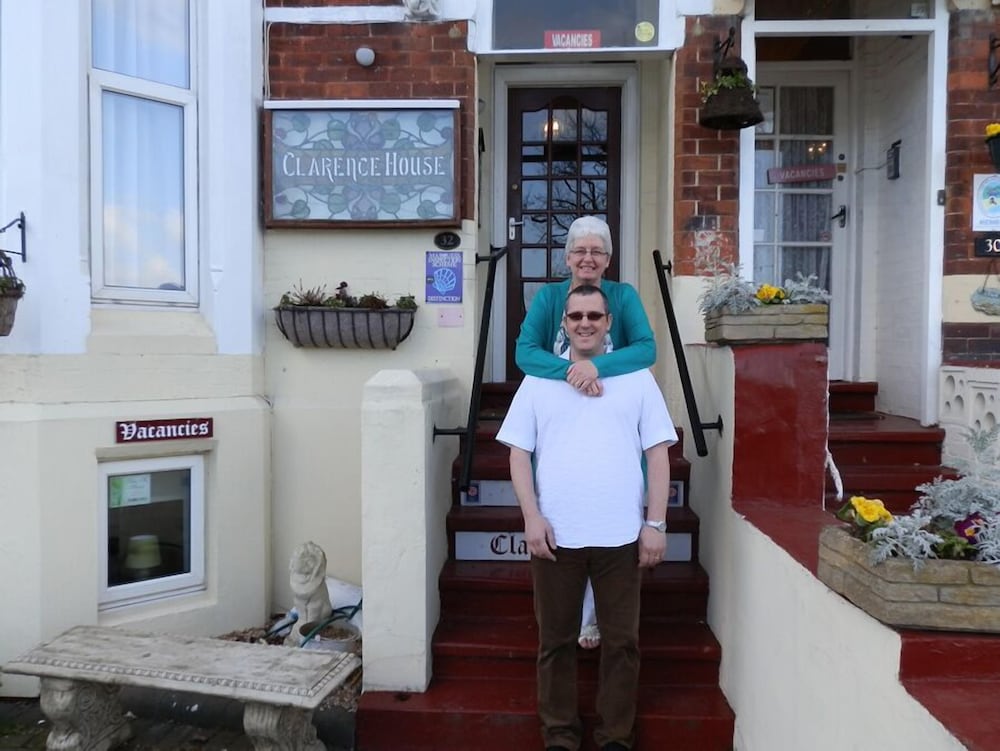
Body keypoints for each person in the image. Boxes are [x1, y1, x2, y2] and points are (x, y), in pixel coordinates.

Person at [498, 285, 677, 751]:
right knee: (555, 643)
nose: (584, 323)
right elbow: (518, 454)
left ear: (608, 322)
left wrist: (655, 524)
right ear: (563, 322)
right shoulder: (538, 381)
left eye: (594, 315)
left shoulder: (637, 378)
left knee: (622, 644)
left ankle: (616, 736)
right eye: (575, 315)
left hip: (621, 537)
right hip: (557, 536)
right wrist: (531, 517)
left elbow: (658, 454)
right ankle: (559, 735)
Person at [515, 215, 657, 647]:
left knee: (612, 520)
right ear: (567, 257)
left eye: (597, 251)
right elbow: (525, 353)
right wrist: (572, 372)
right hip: (563, 423)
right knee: (565, 521)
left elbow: (646, 349)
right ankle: (568, 617)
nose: (588, 258)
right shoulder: (549, 298)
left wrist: (598, 367)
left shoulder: (623, 296)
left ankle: (595, 617)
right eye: (580, 250)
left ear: (608, 259)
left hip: (613, 424)